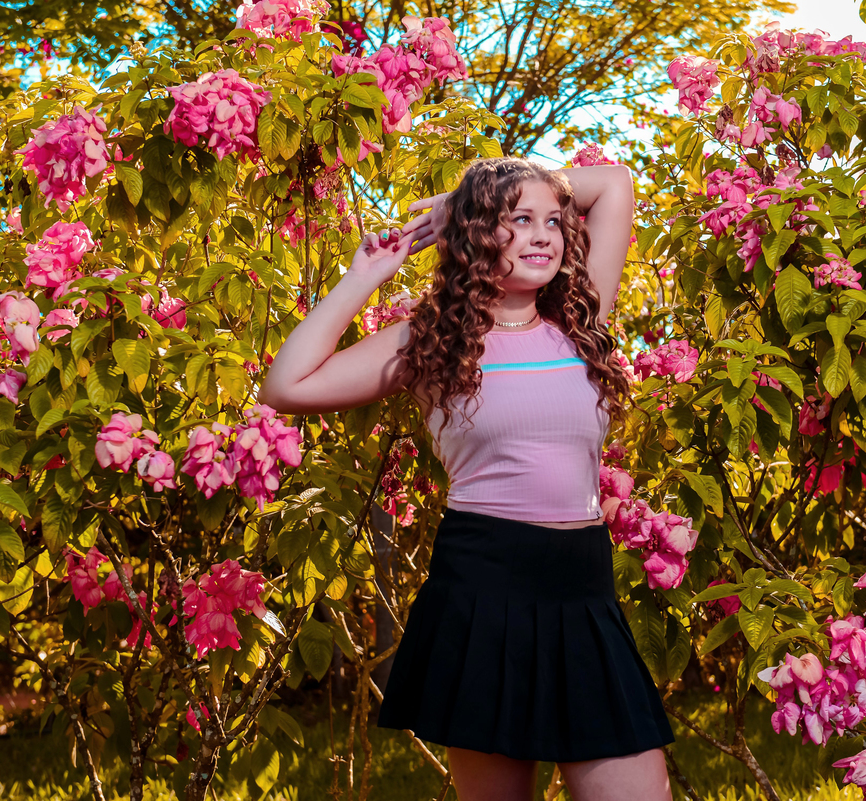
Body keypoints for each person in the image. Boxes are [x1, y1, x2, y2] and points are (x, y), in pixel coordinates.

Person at [258, 157, 675, 801]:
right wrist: (364, 276)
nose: (544, 236)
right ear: (480, 236)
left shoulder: (579, 324)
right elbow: (286, 386)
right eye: (520, 221)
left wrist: (463, 200)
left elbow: (613, 183)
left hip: (584, 591)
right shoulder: (433, 343)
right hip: (484, 592)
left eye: (553, 222)